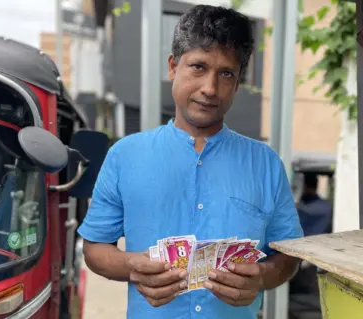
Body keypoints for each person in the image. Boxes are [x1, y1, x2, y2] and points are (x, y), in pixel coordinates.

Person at [78, 5, 303, 319]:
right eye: (198, 66)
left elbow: (288, 256)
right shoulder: (125, 155)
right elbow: (95, 249)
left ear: (238, 83)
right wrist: (133, 266)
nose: (210, 88)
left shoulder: (265, 164)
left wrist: (263, 276)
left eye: (226, 74)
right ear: (173, 66)